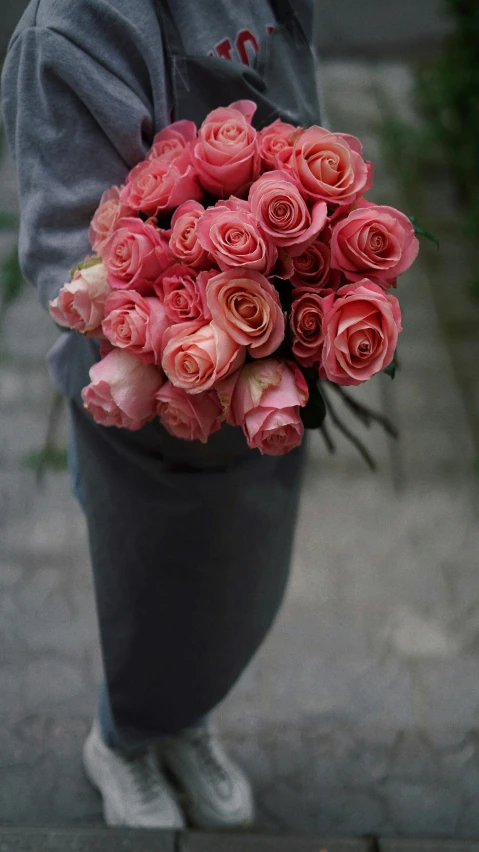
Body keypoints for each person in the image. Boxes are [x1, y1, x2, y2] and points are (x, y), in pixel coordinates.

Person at [1, 0, 322, 831]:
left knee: (225, 581)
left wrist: (318, 261)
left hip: (262, 379)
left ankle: (181, 720)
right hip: (147, 397)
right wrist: (206, 296)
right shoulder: (72, 31)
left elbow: (302, 103)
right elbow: (65, 259)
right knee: (146, 583)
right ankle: (121, 740)